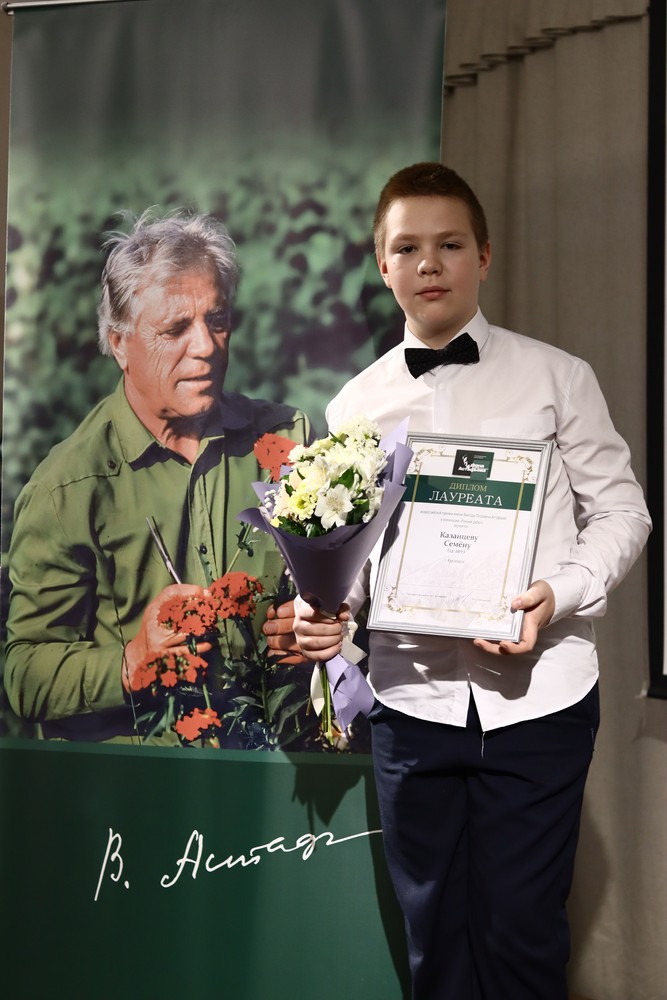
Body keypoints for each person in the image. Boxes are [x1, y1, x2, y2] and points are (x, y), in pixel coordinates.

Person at [291, 163, 651, 999]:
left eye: (449, 245)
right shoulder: (354, 406)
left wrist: (556, 594)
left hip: (539, 699)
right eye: (407, 248)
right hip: (410, 705)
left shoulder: (558, 377)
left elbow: (623, 512)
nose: (429, 263)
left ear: (483, 256)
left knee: (521, 937)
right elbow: (347, 557)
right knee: (434, 943)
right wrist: (324, 610)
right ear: (382, 265)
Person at [4, 210, 311, 747]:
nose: (207, 346)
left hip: (271, 770)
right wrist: (131, 662)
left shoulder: (286, 443)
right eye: (175, 329)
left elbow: (339, 605)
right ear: (119, 343)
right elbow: (25, 676)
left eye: (217, 320)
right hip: (136, 782)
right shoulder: (66, 489)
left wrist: (317, 625)